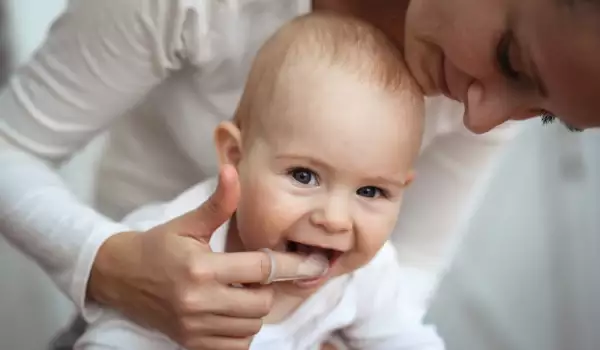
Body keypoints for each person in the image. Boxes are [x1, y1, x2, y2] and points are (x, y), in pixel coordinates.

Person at [5, 0, 597, 348]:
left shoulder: (366, 278)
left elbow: (405, 284)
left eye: (543, 113)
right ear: (231, 155)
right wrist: (109, 265)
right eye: (510, 59)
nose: (483, 118)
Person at [75, 13, 442, 350]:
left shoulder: (369, 274)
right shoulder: (170, 254)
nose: (335, 218)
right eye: (304, 175)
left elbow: (407, 339)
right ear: (235, 156)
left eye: (371, 191)